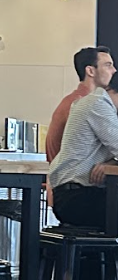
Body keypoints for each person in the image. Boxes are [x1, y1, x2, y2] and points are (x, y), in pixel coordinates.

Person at [49, 59, 118, 229]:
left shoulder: (97, 101)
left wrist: (110, 163)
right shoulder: (99, 105)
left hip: (74, 194)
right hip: (76, 197)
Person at [45, 46, 113, 163]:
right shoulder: (83, 104)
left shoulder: (76, 100)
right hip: (71, 178)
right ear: (90, 71)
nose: (113, 70)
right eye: (108, 65)